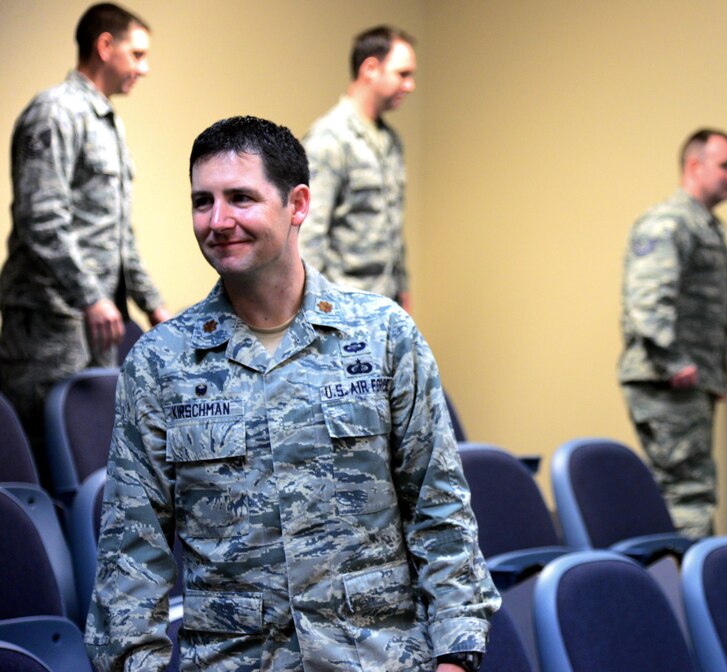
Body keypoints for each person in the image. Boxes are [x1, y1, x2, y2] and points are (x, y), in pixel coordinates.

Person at [85, 116, 499, 672]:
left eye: (241, 198)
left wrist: (456, 655)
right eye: (202, 201)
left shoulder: (382, 336)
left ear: (297, 204)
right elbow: (131, 551)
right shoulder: (162, 362)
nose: (218, 220)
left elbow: (440, 507)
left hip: (380, 658)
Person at [0, 2, 170, 489]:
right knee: (39, 474)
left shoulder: (106, 122)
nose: (144, 67)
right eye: (137, 54)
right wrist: (90, 294)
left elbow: (118, 236)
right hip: (48, 330)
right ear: (104, 46)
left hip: (94, 328)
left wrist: (153, 305)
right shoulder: (56, 112)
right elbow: (41, 219)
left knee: (88, 469)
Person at [619, 128, 727, 539]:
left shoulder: (704, 226)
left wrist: (711, 377)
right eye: (725, 165)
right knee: (689, 495)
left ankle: (686, 591)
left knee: (685, 491)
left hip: (688, 381)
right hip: (666, 379)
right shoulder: (669, 222)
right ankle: (694, 599)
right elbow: (647, 303)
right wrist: (676, 362)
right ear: (694, 165)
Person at [300, 26, 416, 311]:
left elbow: (392, 228)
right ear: (370, 68)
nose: (410, 85)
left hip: (384, 307)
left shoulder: (390, 142)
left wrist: (402, 290)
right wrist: (319, 311)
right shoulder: (330, 140)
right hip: (343, 309)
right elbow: (307, 238)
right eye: (403, 74)